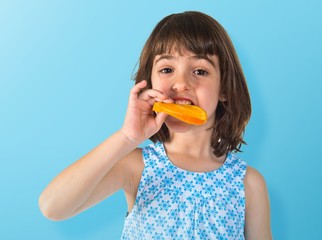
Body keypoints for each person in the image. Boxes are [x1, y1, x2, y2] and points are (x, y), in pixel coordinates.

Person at [39, 11, 272, 239]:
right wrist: (127, 138)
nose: (181, 83)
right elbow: (53, 207)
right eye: (167, 69)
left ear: (224, 89)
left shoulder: (248, 184)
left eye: (200, 71)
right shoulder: (136, 167)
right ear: (150, 83)